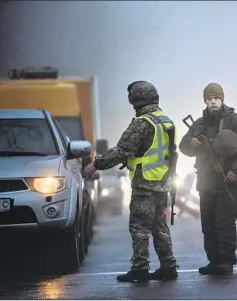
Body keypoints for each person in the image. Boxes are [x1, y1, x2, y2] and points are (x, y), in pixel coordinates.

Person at [83, 81, 178, 282]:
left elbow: (122, 150)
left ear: (136, 100)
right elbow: (160, 152)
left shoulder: (142, 122)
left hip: (144, 183)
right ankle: (169, 266)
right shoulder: (166, 120)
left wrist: (96, 164)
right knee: (160, 226)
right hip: (162, 182)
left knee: (139, 227)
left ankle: (140, 269)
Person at [179, 83, 237, 275]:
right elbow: (183, 146)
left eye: (216, 98)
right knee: (208, 224)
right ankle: (214, 261)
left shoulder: (235, 121)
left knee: (225, 223)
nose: (213, 102)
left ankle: (226, 262)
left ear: (222, 99)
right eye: (209, 99)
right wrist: (192, 143)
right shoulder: (199, 124)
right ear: (205, 101)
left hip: (230, 182)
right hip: (206, 182)